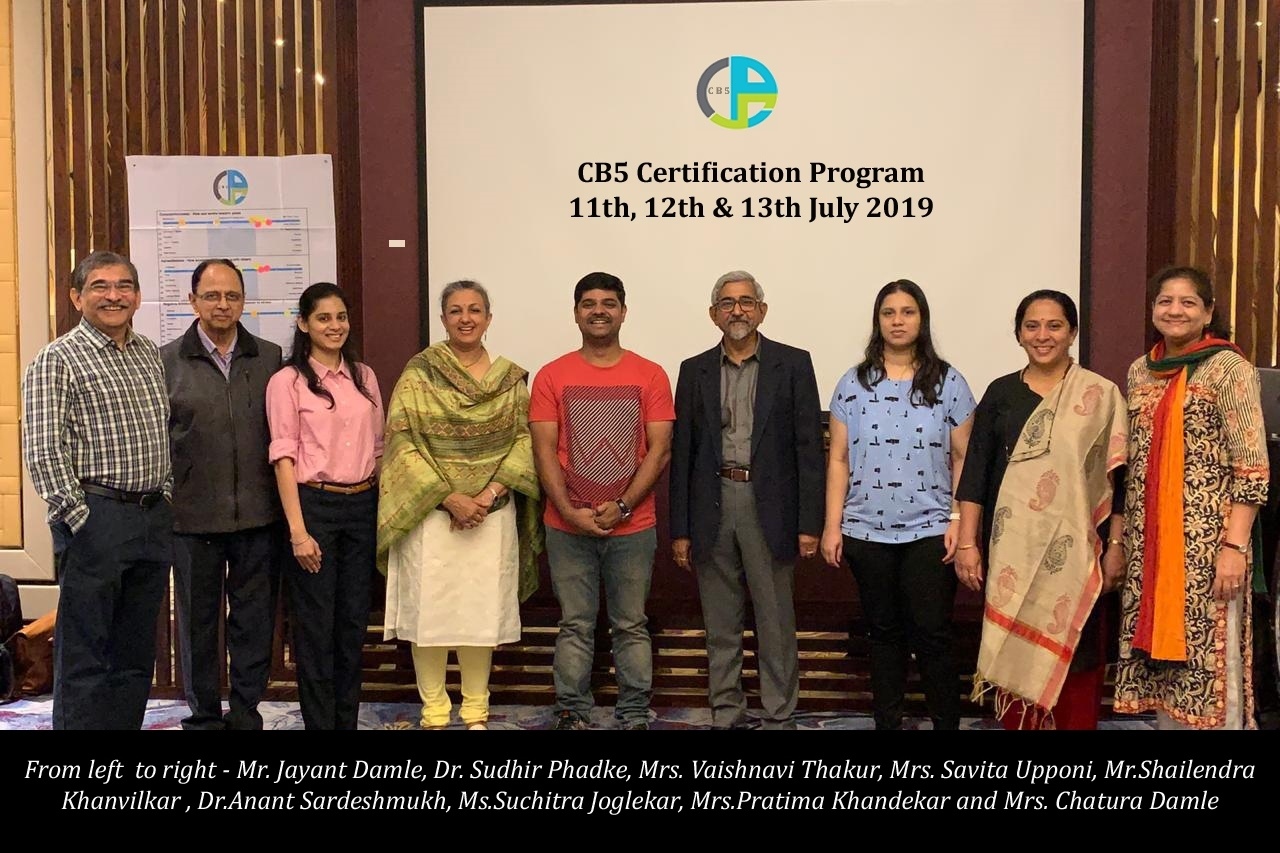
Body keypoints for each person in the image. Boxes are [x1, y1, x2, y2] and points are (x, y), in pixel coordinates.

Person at [956, 290, 1127, 730]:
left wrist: (1116, 546)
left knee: (1078, 655)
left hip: (1079, 556)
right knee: (1012, 651)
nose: (1042, 335)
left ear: (1072, 332)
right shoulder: (1001, 393)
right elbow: (976, 473)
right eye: (1031, 326)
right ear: (1018, 334)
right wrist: (968, 543)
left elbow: (1119, 484)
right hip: (1011, 553)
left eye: (1054, 326)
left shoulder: (1100, 395)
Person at [378, 280, 543, 730]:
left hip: (491, 516)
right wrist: (450, 498)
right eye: (455, 310)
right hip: (432, 517)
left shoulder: (509, 378)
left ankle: (475, 712)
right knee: (429, 617)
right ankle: (434, 711)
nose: (465, 318)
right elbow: (402, 441)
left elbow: (523, 441)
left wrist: (486, 497)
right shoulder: (420, 374)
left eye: (474, 310)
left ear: (488, 318)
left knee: (480, 617)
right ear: (443, 319)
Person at [21, 250, 173, 729]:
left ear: (138, 296)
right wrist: (78, 516)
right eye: (100, 286)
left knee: (135, 652)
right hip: (96, 517)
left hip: (151, 516)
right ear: (76, 297)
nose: (114, 296)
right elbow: (44, 449)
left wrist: (165, 493)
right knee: (85, 653)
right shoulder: (57, 359)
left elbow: (161, 429)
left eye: (124, 286)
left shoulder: (148, 352)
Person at [1114, 267, 1268, 729]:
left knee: (1211, 664)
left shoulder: (1228, 369)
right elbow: (1132, 463)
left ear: (1208, 312)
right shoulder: (1141, 370)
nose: (1175, 310)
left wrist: (1234, 547)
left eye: (1188, 302)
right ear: (1153, 309)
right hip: (1151, 546)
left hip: (1209, 547)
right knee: (1164, 677)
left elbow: (1252, 465)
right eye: (1166, 301)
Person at [670, 270, 822, 730]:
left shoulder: (793, 364)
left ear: (762, 310)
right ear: (713, 314)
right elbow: (684, 454)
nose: (737, 310)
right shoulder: (693, 370)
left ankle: (779, 712)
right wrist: (680, 529)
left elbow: (808, 449)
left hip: (769, 507)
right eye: (727, 303)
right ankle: (727, 711)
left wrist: (809, 523)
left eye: (747, 302)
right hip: (712, 503)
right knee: (720, 622)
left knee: (775, 620)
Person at [821, 280, 976, 730]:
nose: (898, 321)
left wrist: (958, 518)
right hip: (865, 531)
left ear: (921, 319)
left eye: (908, 312)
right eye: (888, 313)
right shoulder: (853, 384)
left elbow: (964, 457)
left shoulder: (948, 382)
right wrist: (832, 525)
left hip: (932, 531)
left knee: (932, 635)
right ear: (878, 321)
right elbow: (838, 459)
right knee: (883, 635)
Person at [529, 271, 675, 730]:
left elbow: (659, 450)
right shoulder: (551, 375)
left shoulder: (650, 374)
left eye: (608, 303)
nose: (598, 311)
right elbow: (543, 452)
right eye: (589, 303)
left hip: (633, 526)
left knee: (630, 623)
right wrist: (569, 512)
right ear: (576, 313)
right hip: (565, 525)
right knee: (575, 623)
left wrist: (624, 506)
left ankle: (633, 713)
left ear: (623, 312)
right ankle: (571, 710)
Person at [161, 258, 283, 730]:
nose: (222, 304)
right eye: (211, 295)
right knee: (197, 625)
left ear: (244, 301)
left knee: (253, 623)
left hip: (258, 515)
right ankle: (204, 716)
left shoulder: (269, 358)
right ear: (192, 300)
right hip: (192, 518)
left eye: (232, 295)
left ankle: (246, 712)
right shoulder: (166, 361)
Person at [267, 282, 384, 730]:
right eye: (323, 318)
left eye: (341, 317)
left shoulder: (364, 376)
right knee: (315, 629)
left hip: (362, 508)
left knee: (352, 626)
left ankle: (345, 723)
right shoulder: (288, 381)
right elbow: (283, 457)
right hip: (313, 508)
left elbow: (379, 449)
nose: (334, 326)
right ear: (303, 324)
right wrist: (298, 532)